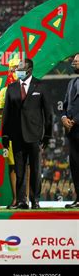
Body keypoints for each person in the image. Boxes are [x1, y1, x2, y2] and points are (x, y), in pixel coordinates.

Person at [2, 58, 53, 209]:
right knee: (20, 170)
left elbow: (48, 113)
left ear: (29, 70)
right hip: (16, 136)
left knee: (36, 169)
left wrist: (48, 136)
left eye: (20, 68)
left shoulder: (41, 86)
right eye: (17, 68)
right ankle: (21, 200)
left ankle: (35, 200)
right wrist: (5, 136)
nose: (17, 71)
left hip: (35, 135)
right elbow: (6, 114)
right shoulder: (11, 88)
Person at [0, 58, 19, 208]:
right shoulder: (3, 91)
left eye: (16, 69)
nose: (13, 72)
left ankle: (25, 198)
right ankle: (15, 199)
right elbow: (1, 112)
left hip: (25, 132)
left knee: (25, 165)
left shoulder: (27, 88)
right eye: (11, 69)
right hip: (9, 133)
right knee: (12, 165)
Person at [62, 54, 79, 208]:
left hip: (76, 125)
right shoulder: (71, 83)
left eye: (76, 60)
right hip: (72, 132)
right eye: (73, 60)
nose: (73, 62)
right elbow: (65, 105)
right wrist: (63, 118)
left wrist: (76, 119)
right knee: (75, 164)